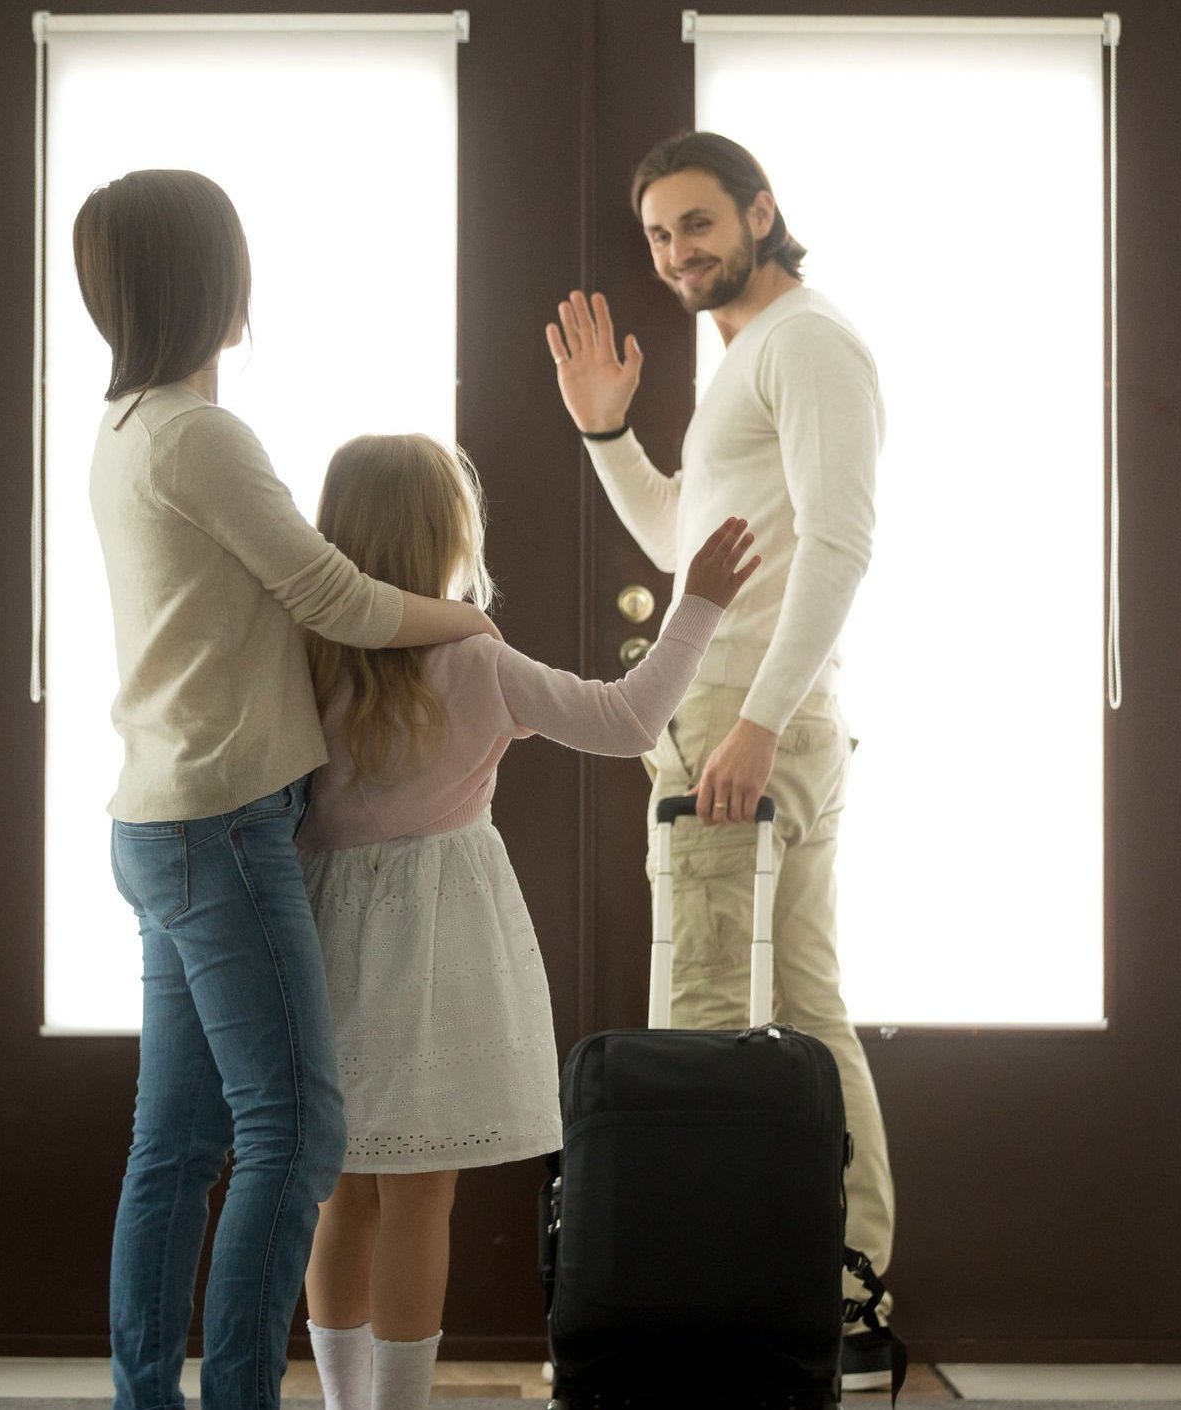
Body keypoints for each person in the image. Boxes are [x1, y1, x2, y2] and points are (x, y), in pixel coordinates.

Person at [74, 170, 502, 1410]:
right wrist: (466, 620)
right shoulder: (200, 435)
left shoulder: (126, 432)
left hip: (160, 819)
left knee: (178, 1146)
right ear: (219, 280)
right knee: (295, 1134)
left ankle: (151, 1395)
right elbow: (335, 598)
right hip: (217, 826)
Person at [288, 431, 758, 1410]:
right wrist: (699, 604)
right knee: (422, 1196)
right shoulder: (472, 657)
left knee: (341, 1193)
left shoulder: (300, 654)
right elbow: (629, 720)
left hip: (322, 933)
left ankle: (340, 1405)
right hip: (437, 942)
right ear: (444, 539)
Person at [544, 130, 897, 1388]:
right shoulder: (752, 356)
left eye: (696, 224)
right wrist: (608, 436)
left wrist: (752, 719)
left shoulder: (802, 342)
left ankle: (696, 1342)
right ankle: (840, 1308)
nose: (675, 252)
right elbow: (690, 545)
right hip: (757, 715)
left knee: (702, 1024)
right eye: (657, 236)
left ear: (760, 212)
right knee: (803, 1012)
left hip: (754, 721)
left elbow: (841, 547)